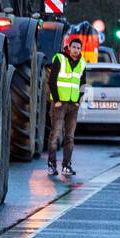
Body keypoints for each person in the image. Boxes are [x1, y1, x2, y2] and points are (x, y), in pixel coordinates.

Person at [46, 36, 87, 178]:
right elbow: (52, 80)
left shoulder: (82, 63)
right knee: (55, 135)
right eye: (74, 47)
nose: (76, 50)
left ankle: (66, 165)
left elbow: (83, 84)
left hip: (72, 105)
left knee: (70, 136)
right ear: (69, 47)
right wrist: (56, 99)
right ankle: (51, 165)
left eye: (78, 48)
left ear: (81, 50)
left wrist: (78, 101)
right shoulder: (59, 58)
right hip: (59, 104)